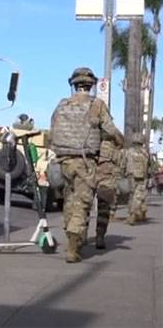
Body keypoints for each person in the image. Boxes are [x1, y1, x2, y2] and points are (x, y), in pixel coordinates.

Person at [49, 67, 123, 263]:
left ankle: (72, 237)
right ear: (91, 85)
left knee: (70, 200)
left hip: (63, 161)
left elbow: (52, 131)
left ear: (73, 84)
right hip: (84, 161)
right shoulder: (96, 105)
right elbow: (110, 131)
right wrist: (120, 140)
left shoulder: (62, 104)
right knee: (82, 204)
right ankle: (73, 248)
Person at [126, 133, 150, 225]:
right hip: (141, 176)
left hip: (130, 175)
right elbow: (149, 164)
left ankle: (130, 215)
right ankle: (133, 214)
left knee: (131, 195)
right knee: (138, 196)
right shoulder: (145, 152)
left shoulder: (128, 151)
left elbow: (123, 163)